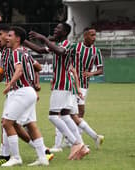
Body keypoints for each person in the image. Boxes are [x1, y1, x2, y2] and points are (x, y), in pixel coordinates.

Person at [0, 15, 53, 166]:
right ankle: (43, 155)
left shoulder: (16, 52)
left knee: (8, 123)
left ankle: (12, 156)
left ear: (15, 38)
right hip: (25, 91)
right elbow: (37, 67)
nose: (2, 37)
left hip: (19, 91)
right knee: (29, 124)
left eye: (6, 35)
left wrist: (13, 83)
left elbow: (20, 69)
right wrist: (34, 85)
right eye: (1, 35)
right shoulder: (20, 51)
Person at [29, 23, 89, 160]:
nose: (55, 30)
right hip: (62, 84)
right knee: (65, 116)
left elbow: (60, 52)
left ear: (65, 32)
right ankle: (82, 145)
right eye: (55, 28)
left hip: (62, 84)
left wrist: (44, 38)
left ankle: (76, 143)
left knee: (52, 116)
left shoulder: (67, 44)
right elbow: (40, 50)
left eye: (58, 29)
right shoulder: (57, 45)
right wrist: (22, 40)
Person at [70, 27, 104, 146]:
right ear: (85, 36)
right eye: (91, 35)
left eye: (95, 35)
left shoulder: (96, 51)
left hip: (84, 85)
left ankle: (75, 139)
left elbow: (100, 70)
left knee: (79, 112)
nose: (94, 38)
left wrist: (91, 73)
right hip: (71, 84)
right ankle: (74, 140)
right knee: (68, 111)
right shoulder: (75, 47)